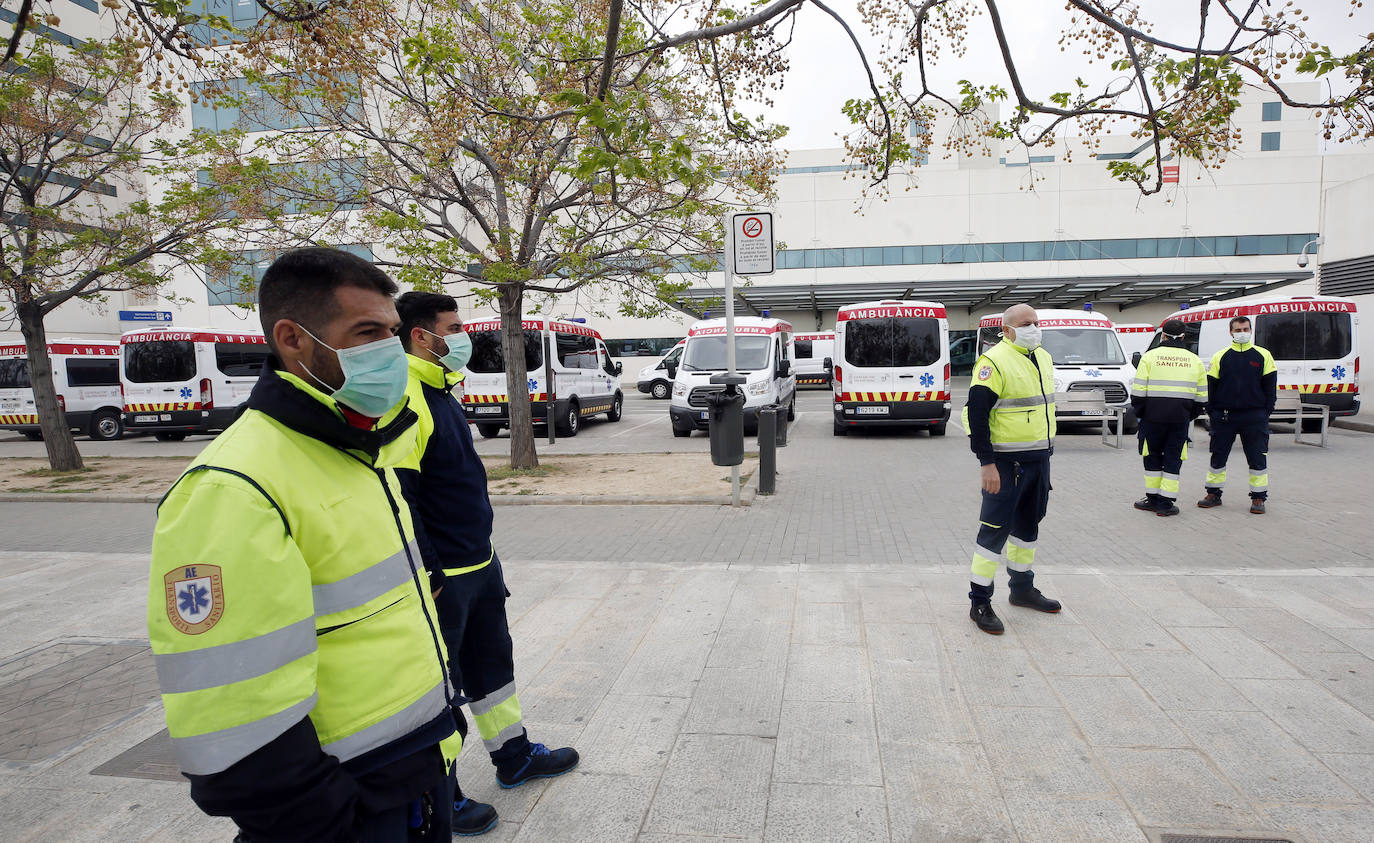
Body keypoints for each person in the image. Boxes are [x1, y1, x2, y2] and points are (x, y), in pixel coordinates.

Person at [147, 247, 459, 842]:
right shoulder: (232, 488)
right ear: (292, 339)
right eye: (366, 334)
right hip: (347, 808)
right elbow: (231, 720)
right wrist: (327, 820)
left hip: (411, 774)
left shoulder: (353, 446)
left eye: (392, 334)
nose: (390, 353)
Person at [393, 292, 579, 806]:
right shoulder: (406, 396)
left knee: (492, 669)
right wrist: (429, 571)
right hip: (443, 577)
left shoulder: (442, 390)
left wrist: (486, 558)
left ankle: (513, 756)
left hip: (478, 563)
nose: (463, 338)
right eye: (453, 328)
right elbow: (400, 495)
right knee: (439, 686)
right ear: (421, 336)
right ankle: (440, 792)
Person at [961, 303, 1063, 635]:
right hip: (1006, 464)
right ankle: (980, 601)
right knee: (993, 533)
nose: (1034, 327)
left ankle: (1022, 589)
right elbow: (976, 416)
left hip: (1039, 460)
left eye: (1036, 322)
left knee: (1028, 528)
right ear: (1007, 330)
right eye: (1025, 323)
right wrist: (987, 463)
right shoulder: (993, 362)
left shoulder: (1043, 357)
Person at [1198, 315, 1277, 515]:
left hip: (1254, 417)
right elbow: (1211, 388)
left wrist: (1264, 412)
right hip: (1225, 417)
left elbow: (1270, 388)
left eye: (1245, 329)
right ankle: (1213, 494)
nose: (1242, 333)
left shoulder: (1263, 355)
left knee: (1257, 457)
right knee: (1218, 456)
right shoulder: (1220, 356)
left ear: (1251, 331)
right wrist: (1213, 412)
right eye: (1238, 330)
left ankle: (1258, 497)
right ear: (1231, 332)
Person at [1130, 319, 1208, 516]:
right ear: (1184, 336)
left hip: (1151, 419)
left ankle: (1152, 499)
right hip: (1179, 420)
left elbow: (1138, 394)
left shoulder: (1149, 357)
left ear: (1163, 335)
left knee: (1152, 457)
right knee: (1173, 460)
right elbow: (1202, 399)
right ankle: (1165, 504)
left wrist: (1143, 414)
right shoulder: (1195, 360)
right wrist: (1187, 415)